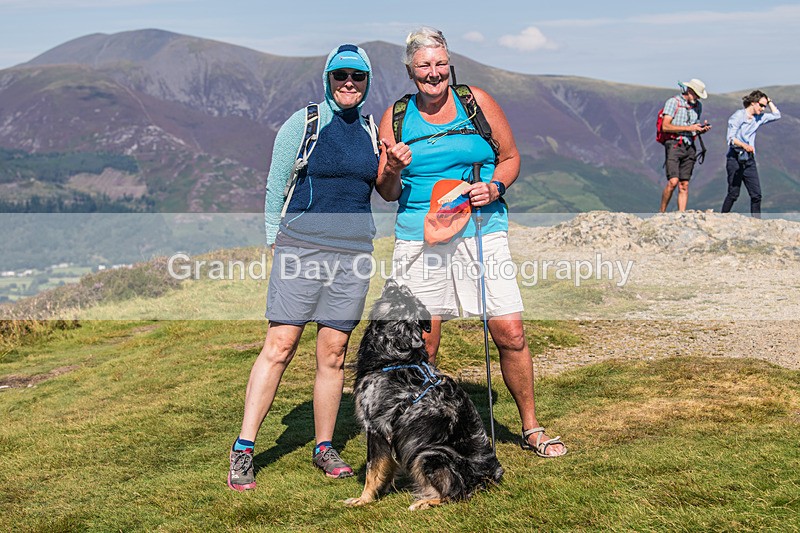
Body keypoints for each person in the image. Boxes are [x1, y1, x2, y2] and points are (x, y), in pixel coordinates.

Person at [375, 27, 567, 458]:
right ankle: (427, 436)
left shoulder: (476, 101)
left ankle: (531, 427)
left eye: (440, 63)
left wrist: (495, 187)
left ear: (450, 64)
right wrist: (391, 166)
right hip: (419, 234)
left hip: (481, 228)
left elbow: (511, 157)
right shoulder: (397, 116)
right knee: (423, 342)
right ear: (411, 70)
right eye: (424, 65)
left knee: (510, 332)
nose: (434, 73)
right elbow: (386, 191)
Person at [227, 44, 379, 490]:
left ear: (368, 82)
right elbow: (276, 186)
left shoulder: (372, 129)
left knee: (333, 353)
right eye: (340, 75)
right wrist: (275, 243)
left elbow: (383, 184)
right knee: (280, 344)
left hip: (353, 254)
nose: (348, 83)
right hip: (302, 247)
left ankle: (324, 447)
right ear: (328, 78)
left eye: (357, 76)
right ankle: (243, 449)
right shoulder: (306, 122)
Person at [721, 90, 781, 218]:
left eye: (765, 106)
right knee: (733, 193)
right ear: (753, 103)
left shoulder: (759, 118)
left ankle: (756, 222)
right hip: (735, 157)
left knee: (756, 194)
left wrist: (769, 101)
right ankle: (722, 217)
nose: (763, 108)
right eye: (761, 105)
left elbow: (777, 115)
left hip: (749, 159)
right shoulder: (738, 116)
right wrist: (744, 145)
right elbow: (730, 138)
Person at [658, 79, 711, 213]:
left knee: (684, 184)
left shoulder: (697, 106)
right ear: (690, 91)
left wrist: (700, 129)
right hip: (674, 144)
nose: (698, 98)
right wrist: (689, 128)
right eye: (697, 94)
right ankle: (662, 212)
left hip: (690, 145)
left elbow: (693, 126)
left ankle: (681, 215)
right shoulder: (673, 103)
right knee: (673, 182)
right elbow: (666, 126)